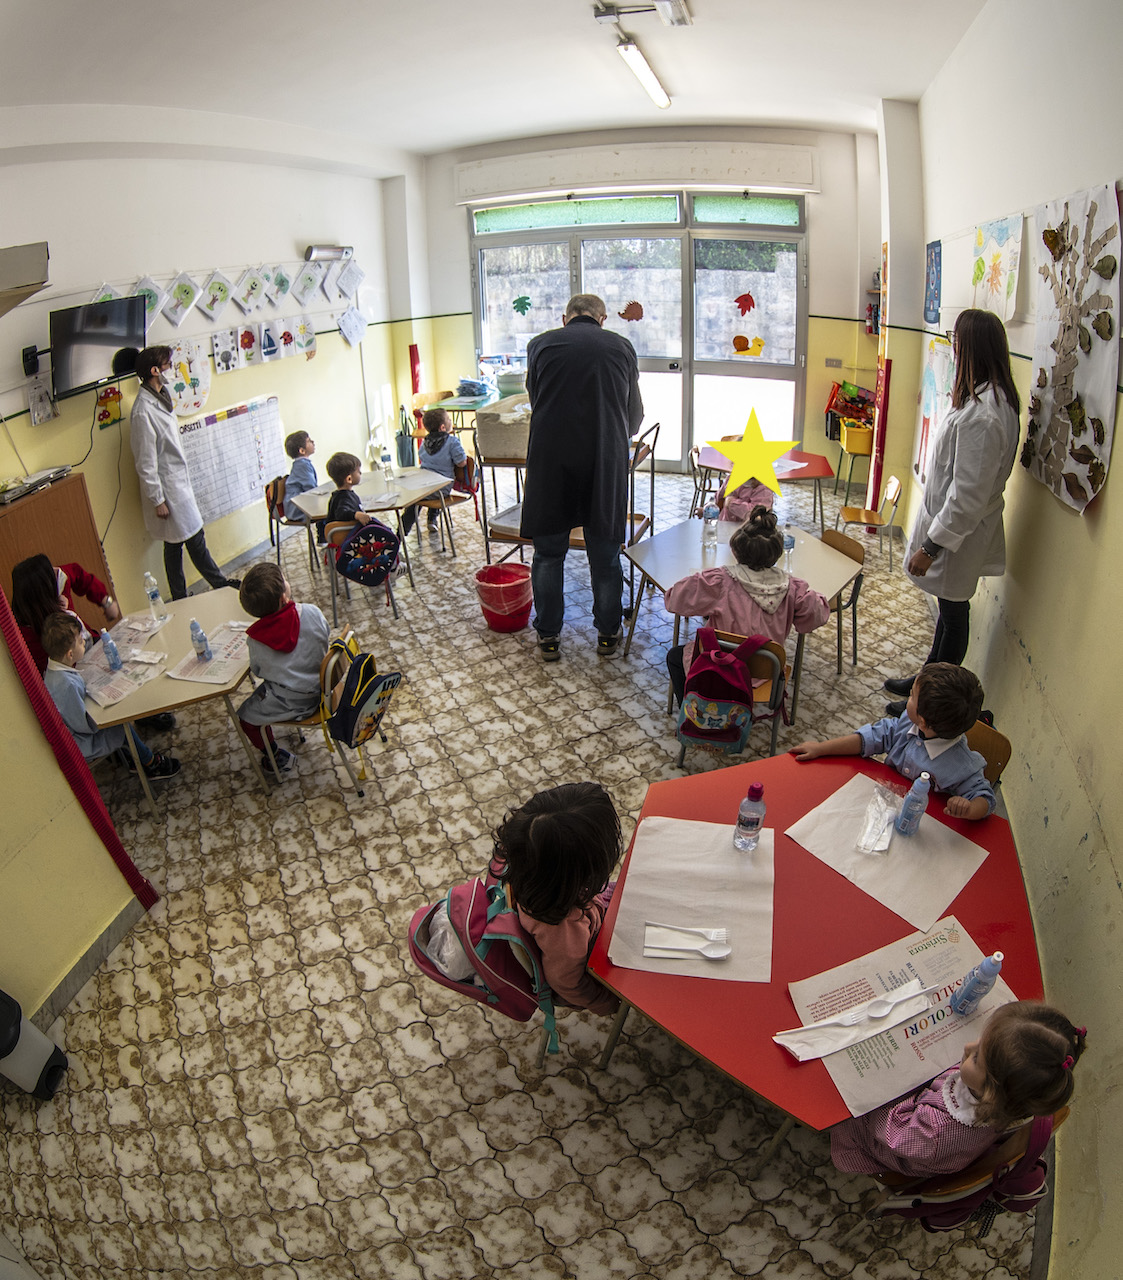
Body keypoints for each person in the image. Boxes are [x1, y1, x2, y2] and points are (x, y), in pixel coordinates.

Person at [883, 309, 1020, 715]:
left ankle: (931, 702)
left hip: (959, 536)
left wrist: (930, 547)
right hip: (959, 531)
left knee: (955, 614)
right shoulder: (987, 399)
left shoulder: (984, 416)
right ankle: (926, 679)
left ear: (972, 348)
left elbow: (966, 498)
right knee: (949, 611)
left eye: (957, 341)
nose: (954, 349)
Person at [520, 294, 644, 662]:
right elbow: (633, 416)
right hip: (603, 461)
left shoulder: (539, 345)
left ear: (565, 318)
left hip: (550, 462)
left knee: (548, 554)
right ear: (602, 319)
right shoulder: (621, 347)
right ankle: (608, 634)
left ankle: (549, 637)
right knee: (604, 554)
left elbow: (535, 397)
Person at [831, 1001, 1085, 1179]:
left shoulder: (934, 1134)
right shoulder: (1005, 1097)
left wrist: (882, 1087)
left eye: (976, 1057)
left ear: (990, 1093)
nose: (967, 1046)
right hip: (924, 1123)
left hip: (890, 1141)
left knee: (836, 1102)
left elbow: (890, 1132)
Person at [664, 505, 830, 706]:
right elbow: (816, 616)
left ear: (735, 550)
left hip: (721, 667)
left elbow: (674, 599)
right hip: (766, 671)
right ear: (777, 553)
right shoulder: (792, 588)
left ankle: (695, 711)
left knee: (675, 656)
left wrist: (699, 579)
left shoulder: (720, 581)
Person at [791, 662, 995, 819]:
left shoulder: (961, 765)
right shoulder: (907, 723)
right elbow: (869, 739)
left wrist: (968, 809)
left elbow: (984, 798)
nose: (908, 698)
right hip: (883, 808)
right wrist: (821, 748)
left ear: (923, 722)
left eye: (912, 696)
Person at [491, 782, 621, 1016]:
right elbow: (567, 982)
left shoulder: (531, 868)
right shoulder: (563, 928)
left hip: (591, 910)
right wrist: (607, 1002)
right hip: (592, 962)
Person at [125, 345, 240, 601]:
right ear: (155, 371)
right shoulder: (142, 410)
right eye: (167, 364)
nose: (172, 369)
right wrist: (157, 499)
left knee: (177, 543)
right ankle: (214, 586)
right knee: (190, 539)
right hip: (168, 490)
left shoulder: (161, 397)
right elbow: (145, 461)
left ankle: (185, 594)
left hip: (177, 484)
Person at [40, 613, 180, 779]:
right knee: (120, 724)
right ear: (70, 654)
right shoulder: (65, 684)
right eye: (80, 641)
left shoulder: (55, 670)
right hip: (81, 742)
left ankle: (136, 752)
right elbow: (83, 725)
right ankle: (149, 763)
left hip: (78, 726)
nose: (84, 641)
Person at [236, 562, 330, 774]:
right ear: (284, 598)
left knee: (245, 717)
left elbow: (258, 672)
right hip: (324, 688)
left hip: (292, 701)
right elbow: (325, 635)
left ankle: (274, 755)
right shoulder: (312, 612)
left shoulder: (256, 641)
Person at [11, 553, 121, 675]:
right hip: (73, 667)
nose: (57, 571)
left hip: (90, 641)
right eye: (51, 574)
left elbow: (78, 574)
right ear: (45, 591)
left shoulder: (58, 576)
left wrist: (106, 601)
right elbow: (52, 669)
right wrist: (62, 613)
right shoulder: (27, 634)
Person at [401, 408, 466, 536]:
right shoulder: (452, 441)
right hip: (442, 488)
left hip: (426, 485)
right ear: (443, 427)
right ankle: (431, 519)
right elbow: (462, 462)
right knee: (431, 488)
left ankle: (400, 534)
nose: (450, 420)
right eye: (448, 419)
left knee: (414, 501)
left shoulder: (425, 442)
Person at [282, 431, 324, 539]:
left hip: (297, 505)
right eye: (309, 441)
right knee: (328, 508)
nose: (313, 442)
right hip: (296, 508)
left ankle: (323, 536)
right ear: (302, 450)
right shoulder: (302, 465)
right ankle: (323, 537)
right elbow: (311, 488)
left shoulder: (302, 464)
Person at [325, 452, 373, 527]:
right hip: (348, 536)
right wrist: (356, 515)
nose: (360, 473)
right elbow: (341, 513)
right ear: (349, 479)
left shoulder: (338, 495)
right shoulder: (344, 497)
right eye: (358, 471)